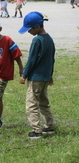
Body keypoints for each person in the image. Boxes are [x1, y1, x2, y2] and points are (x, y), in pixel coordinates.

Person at [18, 11, 56, 139]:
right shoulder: (49, 39)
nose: (29, 31)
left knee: (31, 104)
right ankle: (49, 126)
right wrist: (50, 74)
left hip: (35, 78)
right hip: (45, 77)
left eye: (30, 29)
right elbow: (52, 59)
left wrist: (24, 74)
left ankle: (37, 130)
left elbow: (32, 60)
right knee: (43, 102)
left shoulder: (37, 40)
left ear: (38, 27)